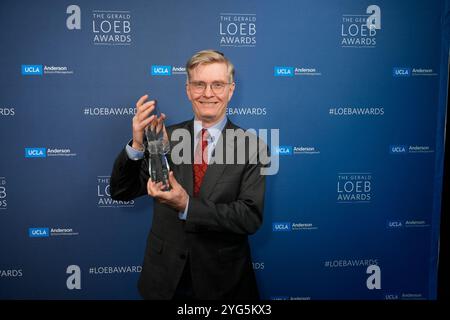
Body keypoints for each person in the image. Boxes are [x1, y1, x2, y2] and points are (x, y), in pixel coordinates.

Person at [110, 49, 266, 300]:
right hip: (164, 280)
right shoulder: (163, 136)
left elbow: (249, 218)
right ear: (187, 89)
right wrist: (138, 144)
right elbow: (121, 190)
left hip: (223, 284)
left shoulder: (252, 147)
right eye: (199, 84)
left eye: (217, 85)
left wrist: (187, 206)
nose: (208, 93)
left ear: (231, 89)